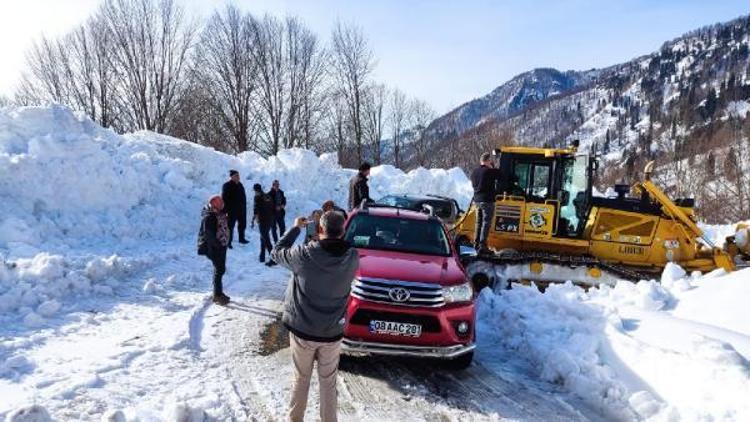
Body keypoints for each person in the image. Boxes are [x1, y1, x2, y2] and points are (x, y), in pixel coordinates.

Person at [271, 211, 359, 422]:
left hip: (303, 331)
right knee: (328, 382)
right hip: (332, 332)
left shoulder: (304, 255)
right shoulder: (353, 257)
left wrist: (295, 228)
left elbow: (276, 252)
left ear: (320, 230)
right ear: (343, 230)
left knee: (301, 379)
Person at [197, 195, 231, 305]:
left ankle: (218, 293)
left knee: (220, 269)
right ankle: (217, 295)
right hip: (214, 247)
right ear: (214, 203)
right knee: (219, 269)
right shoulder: (209, 217)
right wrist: (218, 245)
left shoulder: (217, 212)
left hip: (221, 245)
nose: (222, 203)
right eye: (220, 202)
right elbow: (209, 235)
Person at [471, 152, 501, 254]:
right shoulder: (489, 171)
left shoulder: (474, 172)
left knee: (478, 223)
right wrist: (493, 167)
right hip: (487, 201)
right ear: (488, 161)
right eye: (490, 161)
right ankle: (482, 246)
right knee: (486, 223)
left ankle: (476, 244)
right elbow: (500, 174)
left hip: (477, 201)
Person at [221, 170, 248, 249]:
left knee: (242, 225)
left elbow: (243, 197)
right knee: (230, 227)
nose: (238, 177)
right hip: (231, 210)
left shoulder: (240, 185)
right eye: (236, 175)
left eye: (238, 175)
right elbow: (224, 198)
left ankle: (241, 238)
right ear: (231, 176)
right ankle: (228, 242)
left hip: (241, 209)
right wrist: (225, 210)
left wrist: (244, 207)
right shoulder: (227, 185)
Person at [251, 183, 276, 266]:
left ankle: (274, 258)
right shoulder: (267, 196)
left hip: (263, 221)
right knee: (263, 238)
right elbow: (273, 207)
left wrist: (255, 218)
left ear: (255, 190)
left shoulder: (257, 197)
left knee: (266, 239)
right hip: (270, 220)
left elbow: (255, 209)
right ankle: (262, 257)